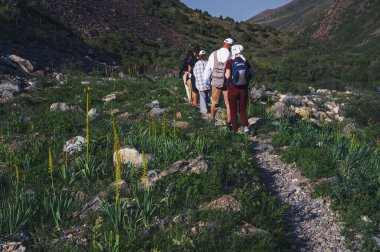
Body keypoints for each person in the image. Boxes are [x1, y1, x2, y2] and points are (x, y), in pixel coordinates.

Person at [203, 38, 234, 125]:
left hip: (215, 82)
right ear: (230, 46)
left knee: (213, 102)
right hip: (227, 83)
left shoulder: (214, 53)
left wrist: (207, 80)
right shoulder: (232, 56)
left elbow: (208, 69)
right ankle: (229, 123)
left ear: (223, 43)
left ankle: (212, 120)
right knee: (228, 104)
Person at [226, 44, 253, 133]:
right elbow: (251, 73)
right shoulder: (245, 61)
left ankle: (235, 129)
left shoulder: (230, 61)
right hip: (244, 89)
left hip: (233, 89)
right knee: (242, 108)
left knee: (233, 109)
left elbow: (227, 75)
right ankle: (246, 127)